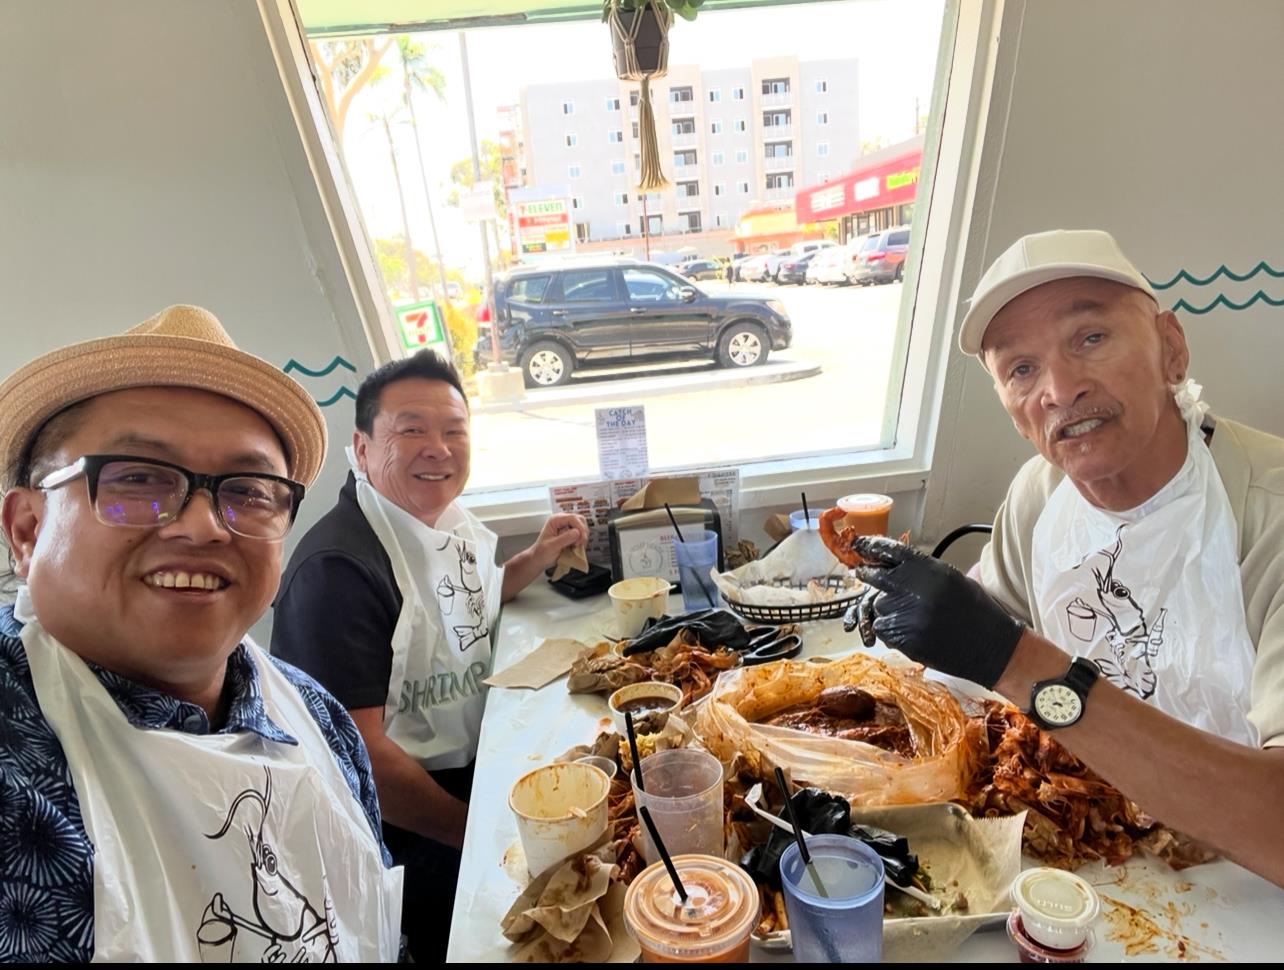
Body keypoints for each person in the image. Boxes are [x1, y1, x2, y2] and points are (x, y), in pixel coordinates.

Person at [844, 229, 1284, 888]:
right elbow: (979, 638)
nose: (1060, 388)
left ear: (1171, 348)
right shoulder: (1040, 496)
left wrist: (1017, 660)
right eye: (1021, 368)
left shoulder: (1265, 513)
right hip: (1093, 873)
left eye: (1091, 339)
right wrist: (912, 621)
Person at [0, 305, 403, 962]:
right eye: (137, 478)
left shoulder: (315, 717)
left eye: (246, 490)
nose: (205, 526)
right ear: (26, 528)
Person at [271, 350, 587, 961]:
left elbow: (468, 607)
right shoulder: (337, 569)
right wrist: (476, 835)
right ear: (361, 449)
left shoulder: (434, 519)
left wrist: (536, 558)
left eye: (453, 431)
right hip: (406, 822)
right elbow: (359, 755)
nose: (437, 448)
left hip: (469, 765)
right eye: (411, 430)